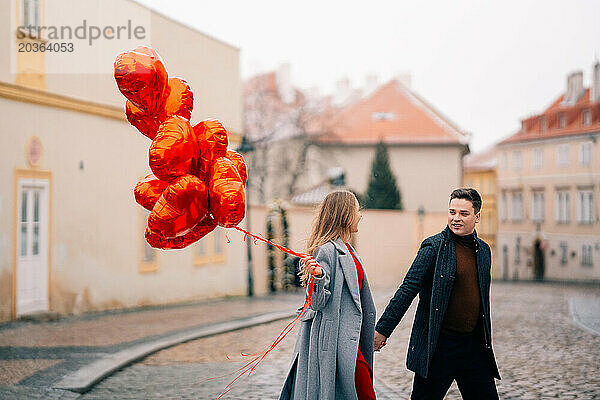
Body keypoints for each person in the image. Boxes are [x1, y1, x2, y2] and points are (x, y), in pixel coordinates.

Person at [374, 188, 500, 400]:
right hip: (439, 347)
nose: (456, 218)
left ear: (477, 217)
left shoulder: (484, 251)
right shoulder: (433, 247)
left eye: (463, 213)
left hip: (474, 347)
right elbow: (407, 289)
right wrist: (383, 330)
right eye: (452, 212)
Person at [279, 190, 377, 400]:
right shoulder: (326, 251)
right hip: (334, 342)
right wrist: (319, 277)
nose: (360, 215)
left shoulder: (348, 249)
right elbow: (317, 302)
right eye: (356, 210)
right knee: (363, 393)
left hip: (351, 340)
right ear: (345, 214)